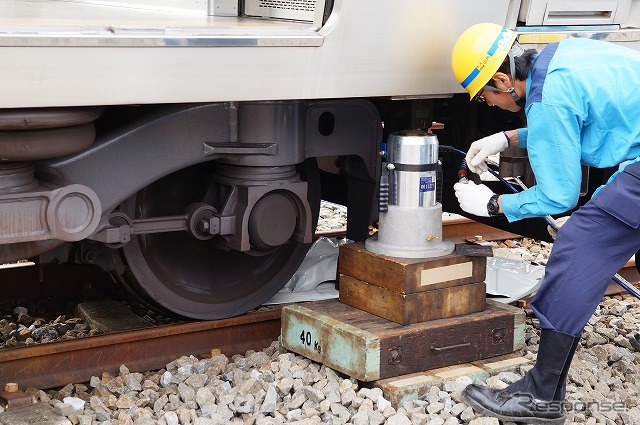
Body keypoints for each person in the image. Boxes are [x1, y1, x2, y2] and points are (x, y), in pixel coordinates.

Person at [449, 23, 640, 424]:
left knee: (579, 244)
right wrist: (508, 138)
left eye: (487, 97)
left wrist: (495, 204)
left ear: (503, 79)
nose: (490, 104)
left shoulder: (547, 96)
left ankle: (540, 397)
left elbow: (560, 195)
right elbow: (572, 119)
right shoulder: (558, 58)